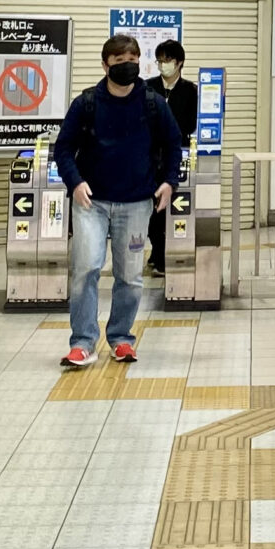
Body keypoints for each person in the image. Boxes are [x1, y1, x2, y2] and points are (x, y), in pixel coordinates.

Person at [51, 33, 180, 368]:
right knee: (86, 269)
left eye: (133, 61)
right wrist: (75, 182)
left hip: (137, 203)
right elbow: (62, 149)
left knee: (131, 276)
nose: (127, 67)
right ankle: (82, 343)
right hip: (90, 203)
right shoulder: (87, 103)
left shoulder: (153, 103)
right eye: (120, 62)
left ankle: (121, 339)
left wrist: (169, 181)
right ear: (106, 64)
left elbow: (173, 144)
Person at [143, 39, 198, 280]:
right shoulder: (147, 87)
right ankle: (157, 249)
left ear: (179, 63)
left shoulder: (190, 90)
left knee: (174, 205)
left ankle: (166, 252)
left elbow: (190, 124)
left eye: (168, 60)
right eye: (160, 60)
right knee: (151, 208)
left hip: (178, 153)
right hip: (150, 154)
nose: (163, 65)